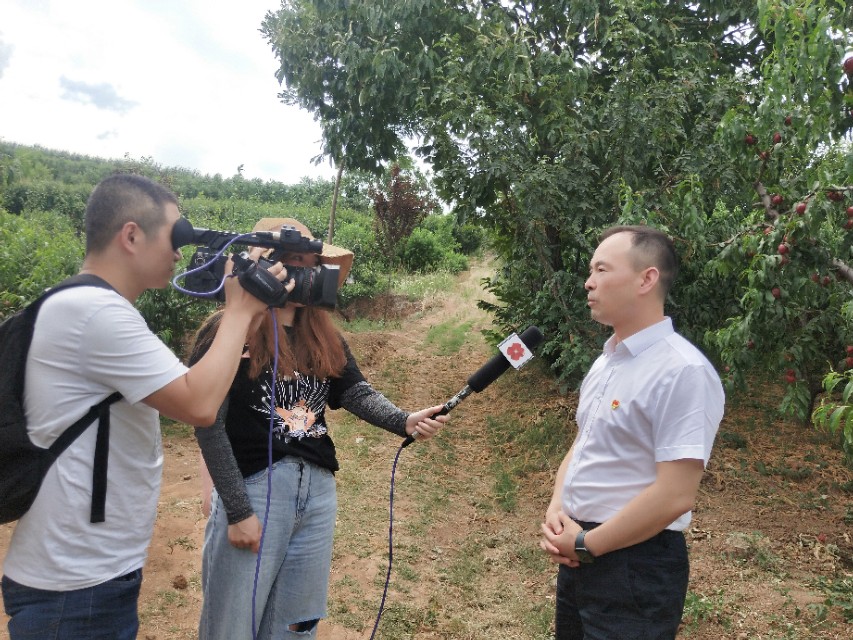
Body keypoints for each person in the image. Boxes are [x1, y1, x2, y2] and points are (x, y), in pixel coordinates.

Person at [1, 174, 283, 639]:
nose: (180, 253)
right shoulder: (95, 312)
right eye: (176, 236)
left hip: (88, 577)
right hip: (75, 587)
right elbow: (200, 404)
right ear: (131, 236)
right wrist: (240, 309)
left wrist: (246, 311)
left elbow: (191, 388)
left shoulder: (89, 306)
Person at [189, 218, 449, 640]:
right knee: (231, 624)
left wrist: (403, 419)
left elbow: (355, 392)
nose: (305, 272)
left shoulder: (323, 335)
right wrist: (236, 509)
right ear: (267, 265)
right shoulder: (228, 331)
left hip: (317, 494)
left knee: (296, 623)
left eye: (312, 263)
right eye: (294, 261)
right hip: (255, 489)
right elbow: (208, 424)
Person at [539, 225, 725, 640]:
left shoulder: (683, 371)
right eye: (590, 270)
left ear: (646, 279)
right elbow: (584, 441)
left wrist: (587, 544)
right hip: (580, 553)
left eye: (602, 269)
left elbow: (675, 495)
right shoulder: (607, 360)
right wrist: (558, 507)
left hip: (635, 566)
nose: (588, 282)